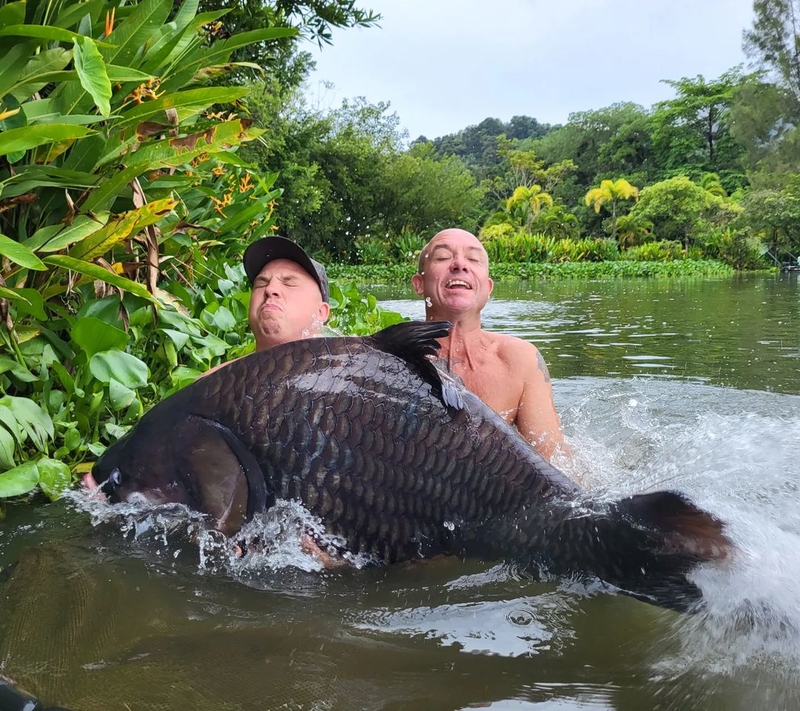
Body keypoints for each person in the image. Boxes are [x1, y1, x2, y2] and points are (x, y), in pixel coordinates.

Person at [412, 228, 570, 465]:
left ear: (488, 289)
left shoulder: (519, 361)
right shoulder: (391, 358)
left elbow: (555, 466)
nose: (459, 265)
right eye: (443, 257)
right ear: (419, 284)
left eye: (473, 259)